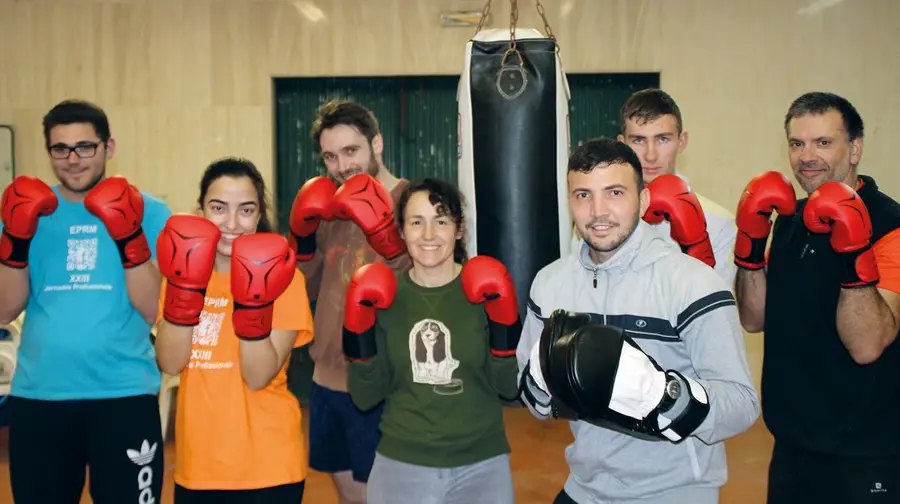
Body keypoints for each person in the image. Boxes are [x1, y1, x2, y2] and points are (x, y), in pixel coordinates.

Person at [518, 138, 759, 504]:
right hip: (586, 487)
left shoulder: (692, 283)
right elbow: (534, 395)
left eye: (614, 192)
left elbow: (742, 404)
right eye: (583, 195)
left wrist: (667, 398)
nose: (598, 211)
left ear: (643, 201)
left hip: (673, 492)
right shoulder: (551, 284)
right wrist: (540, 390)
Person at [0, 99, 171, 503]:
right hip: (39, 396)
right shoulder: (25, 212)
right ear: (49, 152)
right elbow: (5, 310)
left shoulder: (150, 212)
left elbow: (156, 310)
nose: (72, 159)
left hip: (125, 395)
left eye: (85, 147)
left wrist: (130, 236)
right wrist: (16, 239)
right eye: (60, 149)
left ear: (108, 147)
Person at [733, 92, 900, 503]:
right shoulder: (790, 221)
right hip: (792, 443)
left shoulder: (891, 225)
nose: (807, 156)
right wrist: (751, 247)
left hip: (865, 452)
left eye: (823, 142)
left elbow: (867, 346)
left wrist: (854, 248)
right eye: (797, 143)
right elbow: (753, 317)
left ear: (855, 148)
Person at [342, 178, 520, 504]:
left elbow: (508, 387)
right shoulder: (383, 297)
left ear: (459, 229)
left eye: (440, 221)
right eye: (416, 222)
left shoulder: (486, 291)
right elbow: (365, 397)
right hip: (401, 464)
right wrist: (357, 336)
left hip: (481, 465)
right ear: (401, 231)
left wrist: (505, 329)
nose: (428, 235)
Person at [154, 157, 313, 503]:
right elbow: (169, 363)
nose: (231, 222)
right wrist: (184, 291)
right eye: (218, 207)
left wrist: (255, 294)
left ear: (259, 215)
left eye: (245, 210)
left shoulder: (285, 279)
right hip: (198, 465)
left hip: (267, 465)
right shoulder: (179, 273)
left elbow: (257, 376)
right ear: (201, 211)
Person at [287, 99, 411, 504]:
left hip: (385, 385)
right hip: (326, 382)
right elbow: (303, 289)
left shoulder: (413, 201)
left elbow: (430, 286)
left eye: (351, 151)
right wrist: (302, 237)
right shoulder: (326, 209)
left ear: (377, 143)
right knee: (350, 496)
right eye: (330, 156)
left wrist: (391, 241)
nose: (341, 166)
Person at [616, 88, 737, 284]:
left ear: (682, 142)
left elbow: (721, 310)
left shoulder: (719, 223)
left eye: (663, 139)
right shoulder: (601, 217)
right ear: (622, 144)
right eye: (639, 140)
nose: (651, 155)